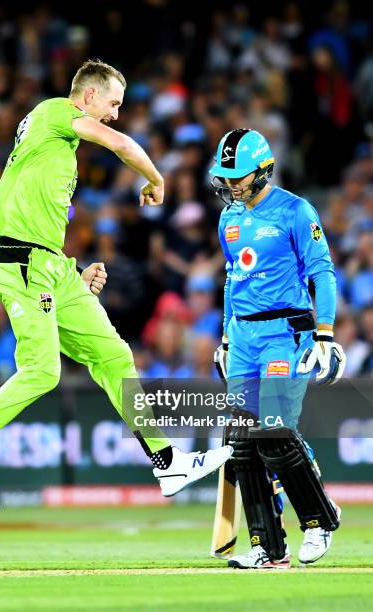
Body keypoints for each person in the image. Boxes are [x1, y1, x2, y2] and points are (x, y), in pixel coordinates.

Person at [0, 59, 232, 512]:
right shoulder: (54, 111)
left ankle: (168, 462)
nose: (114, 114)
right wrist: (156, 178)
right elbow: (121, 143)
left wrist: (71, 274)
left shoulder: (57, 144)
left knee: (114, 355)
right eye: (112, 103)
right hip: (22, 261)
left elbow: (40, 217)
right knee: (43, 370)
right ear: (88, 96)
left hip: (50, 265)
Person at [210, 128, 346, 568]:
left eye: (239, 175)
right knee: (242, 443)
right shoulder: (228, 219)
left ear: (263, 169)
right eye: (226, 175)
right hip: (244, 337)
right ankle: (269, 548)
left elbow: (322, 273)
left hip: (285, 334)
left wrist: (324, 334)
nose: (231, 183)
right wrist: (227, 337)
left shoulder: (294, 210)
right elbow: (233, 278)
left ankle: (319, 521)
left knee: (272, 433)